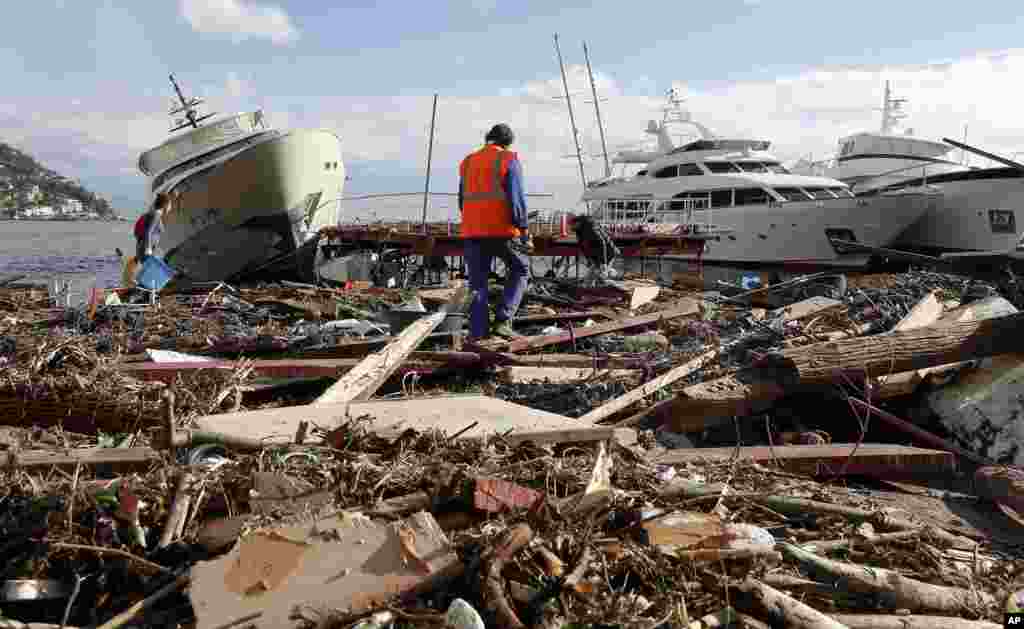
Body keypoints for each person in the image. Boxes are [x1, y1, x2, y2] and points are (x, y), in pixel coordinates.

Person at [458, 123, 533, 341]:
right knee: (520, 268)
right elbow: (516, 199)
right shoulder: (508, 159)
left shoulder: (468, 161)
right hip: (501, 230)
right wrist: (524, 230)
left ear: (488, 138)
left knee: (477, 283)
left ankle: (477, 333)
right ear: (508, 142)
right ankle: (503, 319)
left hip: (473, 232)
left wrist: (473, 221)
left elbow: (462, 199)